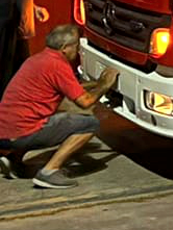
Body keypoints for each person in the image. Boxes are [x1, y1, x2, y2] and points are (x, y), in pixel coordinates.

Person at [0, 24, 119, 189]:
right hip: (21, 134)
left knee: (38, 115)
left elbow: (70, 87)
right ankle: (49, 171)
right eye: (76, 46)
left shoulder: (38, 59)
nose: (77, 50)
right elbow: (85, 102)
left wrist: (98, 82)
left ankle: (13, 161)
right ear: (64, 48)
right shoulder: (58, 66)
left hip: (4, 134)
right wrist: (105, 84)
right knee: (90, 124)